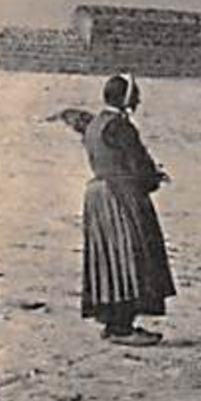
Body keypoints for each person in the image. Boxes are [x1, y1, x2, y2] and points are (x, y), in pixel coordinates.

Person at [81, 74, 176, 345]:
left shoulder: (96, 124)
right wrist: (154, 177)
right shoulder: (122, 127)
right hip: (121, 196)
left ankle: (113, 323)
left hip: (97, 195)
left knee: (107, 260)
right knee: (132, 257)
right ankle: (122, 327)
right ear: (124, 97)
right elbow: (138, 164)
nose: (138, 100)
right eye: (135, 95)